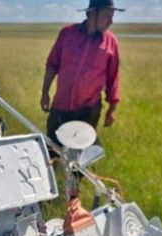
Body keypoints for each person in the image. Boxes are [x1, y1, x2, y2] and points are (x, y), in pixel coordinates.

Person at [40, 0, 123, 152]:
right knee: (52, 151)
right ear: (92, 13)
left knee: (79, 159)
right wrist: (45, 93)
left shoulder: (110, 42)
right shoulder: (67, 34)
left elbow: (113, 78)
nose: (111, 21)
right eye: (107, 16)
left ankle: (78, 176)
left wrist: (112, 108)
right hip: (60, 106)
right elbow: (52, 64)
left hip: (88, 109)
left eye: (112, 16)